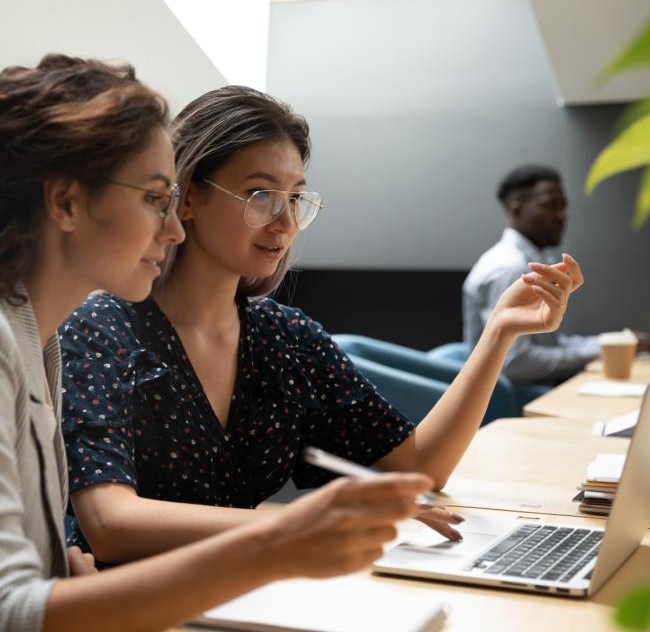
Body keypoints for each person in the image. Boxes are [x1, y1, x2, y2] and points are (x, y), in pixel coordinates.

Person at [60, 86, 585, 565]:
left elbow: (416, 469)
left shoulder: (284, 337)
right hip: (122, 604)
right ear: (189, 195)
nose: (285, 223)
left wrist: (499, 333)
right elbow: (110, 524)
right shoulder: (102, 327)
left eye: (295, 199)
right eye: (261, 195)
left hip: (245, 592)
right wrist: (306, 522)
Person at [0, 54, 434, 632]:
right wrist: (279, 541)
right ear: (67, 203)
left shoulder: (40, 341)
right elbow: (15, 611)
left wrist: (59, 579)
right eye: (156, 198)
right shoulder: (39, 341)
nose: (174, 227)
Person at [463, 164, 650, 385]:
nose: (561, 216)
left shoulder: (530, 261)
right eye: (550, 206)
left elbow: (548, 344)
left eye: (563, 207)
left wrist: (613, 343)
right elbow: (516, 363)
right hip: (516, 397)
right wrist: (598, 351)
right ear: (517, 211)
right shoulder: (510, 269)